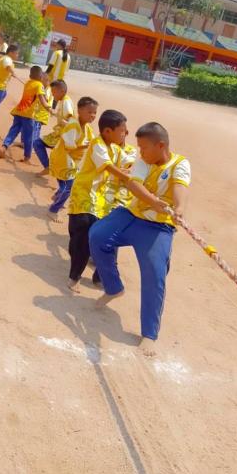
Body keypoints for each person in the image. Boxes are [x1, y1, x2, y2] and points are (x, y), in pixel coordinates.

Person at [88, 122, 191, 356]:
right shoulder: (144, 161)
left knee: (155, 274)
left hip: (158, 227)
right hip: (131, 215)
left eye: (143, 147)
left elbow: (180, 187)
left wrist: (179, 208)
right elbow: (134, 184)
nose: (140, 152)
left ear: (160, 145)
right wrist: (153, 201)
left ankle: (149, 334)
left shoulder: (180, 164)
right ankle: (113, 288)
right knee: (97, 236)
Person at [67, 110, 134, 293]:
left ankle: (100, 277)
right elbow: (109, 167)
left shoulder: (116, 148)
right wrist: (129, 178)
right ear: (107, 131)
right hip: (85, 197)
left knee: (108, 237)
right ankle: (74, 277)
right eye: (122, 131)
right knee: (81, 238)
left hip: (102, 201)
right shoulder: (98, 144)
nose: (125, 134)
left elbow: (128, 163)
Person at [48, 96, 98, 221]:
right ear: (79, 111)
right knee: (69, 187)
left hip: (72, 161)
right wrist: (86, 146)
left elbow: (93, 141)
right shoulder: (73, 125)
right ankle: (53, 209)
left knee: (66, 185)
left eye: (95, 113)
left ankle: (57, 196)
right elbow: (70, 146)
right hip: (63, 158)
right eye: (89, 112)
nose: (92, 115)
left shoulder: (87, 127)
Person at [0, 66, 52, 163]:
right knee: (28, 136)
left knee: (13, 131)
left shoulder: (27, 83)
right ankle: (27, 157)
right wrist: (49, 108)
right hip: (28, 115)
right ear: (41, 77)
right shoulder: (39, 85)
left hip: (19, 111)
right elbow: (43, 100)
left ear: (30, 75)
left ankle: (4, 146)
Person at [33, 79, 74, 175]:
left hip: (62, 136)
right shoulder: (64, 100)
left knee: (38, 143)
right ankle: (50, 167)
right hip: (59, 135)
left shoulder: (66, 102)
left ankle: (49, 167)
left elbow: (70, 120)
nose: (53, 94)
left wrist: (64, 122)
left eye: (54, 92)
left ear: (62, 91)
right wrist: (54, 112)